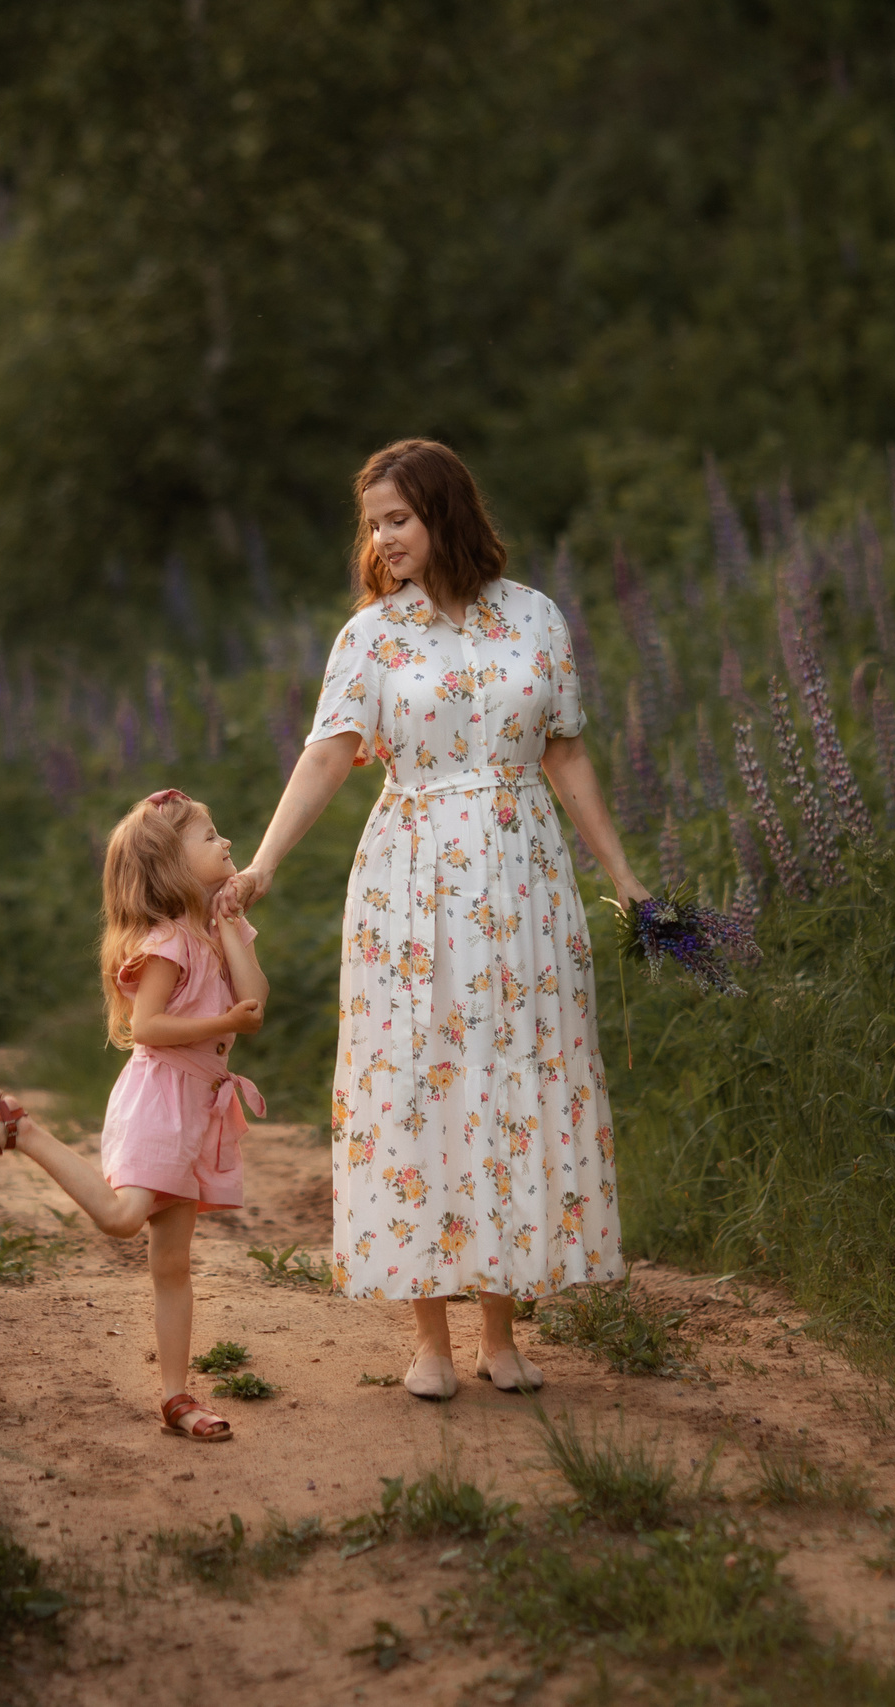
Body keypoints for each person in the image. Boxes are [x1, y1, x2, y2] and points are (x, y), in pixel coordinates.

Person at [217, 439, 650, 1400]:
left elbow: (566, 753)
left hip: (525, 879)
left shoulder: (535, 616)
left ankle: (499, 1331)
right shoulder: (371, 637)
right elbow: (329, 754)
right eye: (373, 523)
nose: (382, 539)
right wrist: (262, 864)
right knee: (419, 1082)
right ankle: (429, 1340)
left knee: (511, 1077)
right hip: (410, 885)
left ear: (445, 512)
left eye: (398, 519)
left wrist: (626, 878)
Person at [0, 788, 265, 1442]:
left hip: (196, 1108)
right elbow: (148, 1026)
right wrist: (222, 1023)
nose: (227, 843)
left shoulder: (213, 932)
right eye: (210, 836)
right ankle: (20, 1127)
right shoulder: (167, 943)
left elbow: (255, 1002)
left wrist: (231, 920)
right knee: (125, 1219)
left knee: (172, 1265)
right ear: (171, 863)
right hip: (161, 1099)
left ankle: (176, 1396)